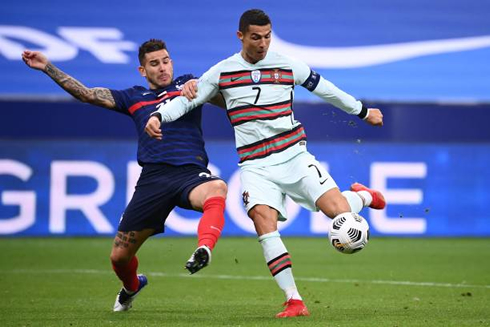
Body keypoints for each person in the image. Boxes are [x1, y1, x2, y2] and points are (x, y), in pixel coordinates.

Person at [146, 9, 386, 318]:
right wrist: (158, 115)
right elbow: (187, 100)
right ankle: (293, 299)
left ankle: (366, 197)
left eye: (267, 36)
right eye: (256, 37)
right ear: (241, 36)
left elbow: (325, 88)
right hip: (255, 164)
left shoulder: (288, 65)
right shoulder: (221, 72)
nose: (263, 43)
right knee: (263, 221)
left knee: (337, 212)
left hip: (293, 155)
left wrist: (362, 111)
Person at [22, 39, 228, 312]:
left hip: (190, 173)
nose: (162, 68)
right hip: (152, 180)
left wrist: (204, 90)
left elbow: (228, 103)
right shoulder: (133, 97)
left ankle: (204, 249)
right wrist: (48, 67)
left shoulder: (187, 84)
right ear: (142, 70)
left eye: (166, 61)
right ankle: (132, 285)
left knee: (217, 188)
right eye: (154, 64)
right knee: (119, 257)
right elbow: (86, 93)